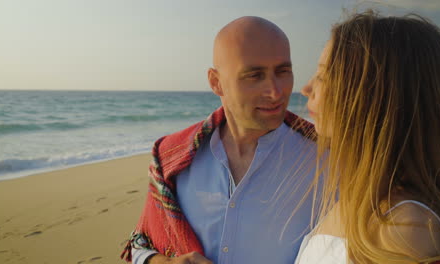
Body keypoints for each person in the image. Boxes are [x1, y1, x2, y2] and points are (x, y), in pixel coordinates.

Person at [121, 16, 318, 264]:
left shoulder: (324, 158)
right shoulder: (171, 157)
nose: (275, 91)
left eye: (283, 71)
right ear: (216, 82)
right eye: (254, 75)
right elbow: (141, 242)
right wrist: (160, 262)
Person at [296, 11, 440, 263]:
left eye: (324, 76)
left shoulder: (407, 229)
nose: (306, 88)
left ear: (378, 98)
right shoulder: (360, 203)